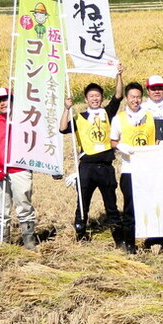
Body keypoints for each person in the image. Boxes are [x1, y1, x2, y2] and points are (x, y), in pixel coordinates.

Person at [109, 82, 163, 253]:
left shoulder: (149, 115)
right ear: (126, 99)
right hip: (129, 170)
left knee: (151, 205)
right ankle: (130, 243)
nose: (135, 100)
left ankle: (153, 240)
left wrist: (161, 143)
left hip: (149, 169)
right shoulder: (118, 119)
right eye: (132, 97)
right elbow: (112, 141)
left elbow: (155, 138)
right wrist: (121, 146)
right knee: (130, 208)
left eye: (138, 97)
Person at [59, 82, 123, 243]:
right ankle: (80, 234)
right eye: (91, 96)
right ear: (86, 100)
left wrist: (119, 75)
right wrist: (67, 108)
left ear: (101, 98)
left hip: (106, 167)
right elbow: (62, 128)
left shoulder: (107, 113)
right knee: (82, 203)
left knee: (111, 204)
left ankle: (118, 237)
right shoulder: (79, 117)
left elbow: (118, 96)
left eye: (97, 95)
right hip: (86, 168)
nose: (95, 98)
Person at [0, 87, 37, 248]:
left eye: (5, 99)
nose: (2, 103)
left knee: (24, 205)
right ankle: (2, 242)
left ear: (12, 100)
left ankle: (29, 241)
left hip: (20, 170)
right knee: (1, 209)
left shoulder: (26, 121)